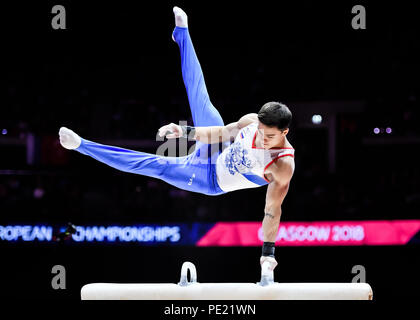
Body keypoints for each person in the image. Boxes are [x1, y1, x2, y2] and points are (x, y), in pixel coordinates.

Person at [59, 6, 295, 276]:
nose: (262, 139)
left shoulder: (282, 165)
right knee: (200, 98)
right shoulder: (252, 121)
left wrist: (267, 253)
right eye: (261, 132)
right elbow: (223, 133)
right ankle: (182, 32)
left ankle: (82, 146)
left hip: (209, 179)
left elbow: (271, 210)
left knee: (154, 165)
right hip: (216, 149)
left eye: (270, 136)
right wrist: (185, 132)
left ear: (285, 133)